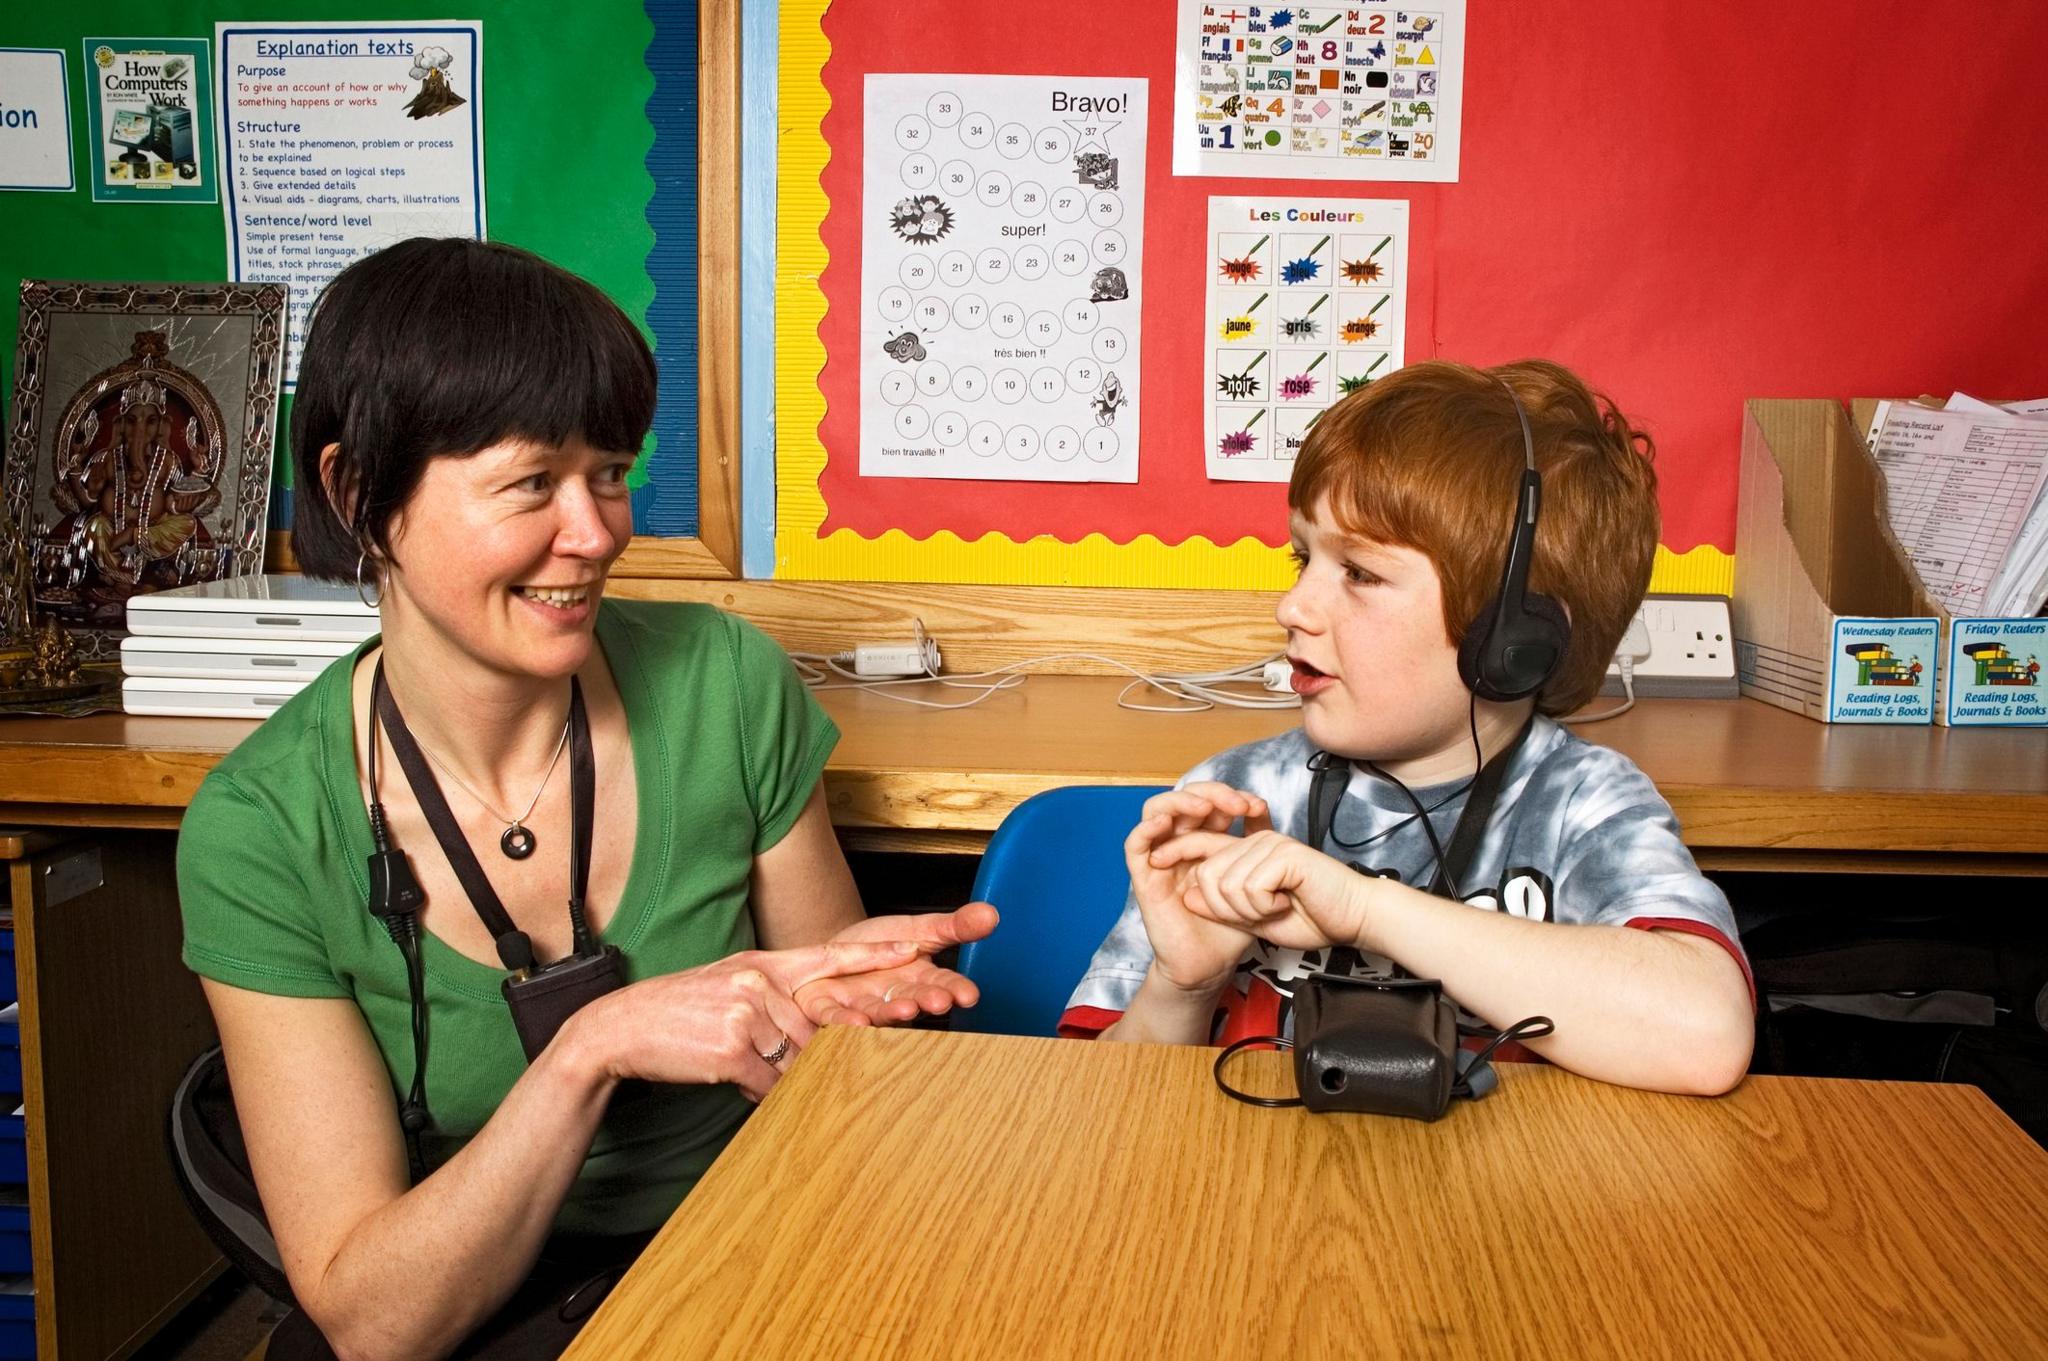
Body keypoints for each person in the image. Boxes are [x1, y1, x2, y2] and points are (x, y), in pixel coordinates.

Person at [176, 237, 996, 1360]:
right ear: (357, 493)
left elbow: (830, 1094)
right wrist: (591, 1047)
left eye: (608, 473)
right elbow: (374, 1320)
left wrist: (864, 1006)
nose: (598, 532)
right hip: (472, 1299)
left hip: (743, 1253)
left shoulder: (723, 681)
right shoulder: (258, 828)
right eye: (530, 483)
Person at [1059, 360, 1754, 1096]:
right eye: (1303, 557)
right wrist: (1183, 985)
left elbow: (1707, 1035)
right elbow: (1104, 1114)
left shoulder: (1584, 804)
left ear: (1514, 637)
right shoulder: (1236, 795)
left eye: (1359, 573)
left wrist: (1365, 909)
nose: (1293, 607)